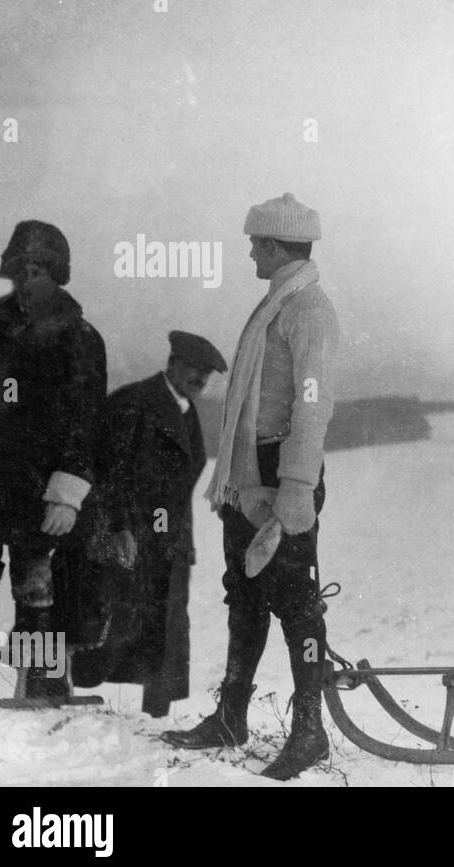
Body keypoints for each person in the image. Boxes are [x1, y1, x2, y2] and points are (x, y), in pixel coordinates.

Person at [161, 193, 339, 781]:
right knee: (246, 595)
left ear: (278, 244)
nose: (250, 251)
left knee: (295, 605)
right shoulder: (277, 304)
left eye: (256, 242)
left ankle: (310, 732)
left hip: (279, 474)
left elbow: (312, 409)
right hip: (248, 477)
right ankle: (231, 716)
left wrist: (294, 486)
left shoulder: (307, 310)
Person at [0, 220, 107, 701]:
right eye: (20, 268)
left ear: (58, 274)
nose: (27, 278)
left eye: (39, 268)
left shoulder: (82, 339)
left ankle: (43, 689)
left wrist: (67, 494)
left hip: (42, 490)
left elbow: (86, 425)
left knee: (38, 591)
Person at [71, 331, 226, 718]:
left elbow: (181, 481)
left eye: (206, 373)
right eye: (193, 367)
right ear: (172, 362)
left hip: (167, 539)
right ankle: (71, 707)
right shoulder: (134, 402)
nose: (200, 378)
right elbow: (111, 469)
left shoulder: (186, 410)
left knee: (165, 630)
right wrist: (121, 527)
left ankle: (155, 719)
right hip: (127, 535)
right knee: (106, 624)